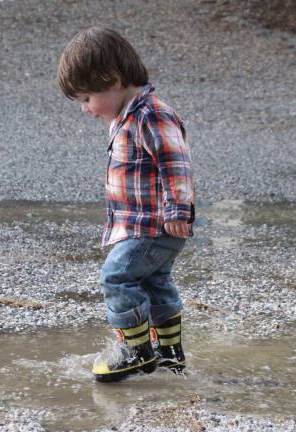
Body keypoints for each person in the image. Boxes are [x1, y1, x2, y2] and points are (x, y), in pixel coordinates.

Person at [57, 26, 195, 382]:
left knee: (116, 276)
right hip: (145, 226)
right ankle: (169, 354)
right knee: (155, 283)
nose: (85, 109)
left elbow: (175, 161)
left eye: (87, 97)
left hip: (153, 226)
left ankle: (134, 352)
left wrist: (179, 209)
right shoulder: (127, 116)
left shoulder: (150, 114)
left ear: (113, 79)